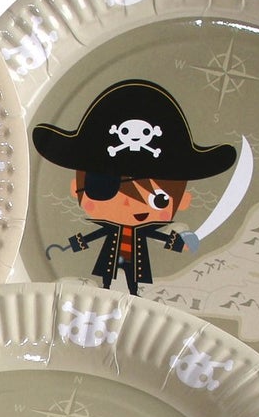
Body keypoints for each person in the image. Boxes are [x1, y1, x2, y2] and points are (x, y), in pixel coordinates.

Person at [31, 79, 236, 294]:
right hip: (111, 259)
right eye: (104, 189)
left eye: (158, 199)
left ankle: (133, 293)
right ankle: (106, 290)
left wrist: (179, 243)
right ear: (76, 189)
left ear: (183, 201)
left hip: (135, 260)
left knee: (132, 278)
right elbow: (93, 237)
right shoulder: (111, 227)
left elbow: (160, 237)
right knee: (108, 277)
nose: (128, 204)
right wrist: (71, 245)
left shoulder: (145, 229)